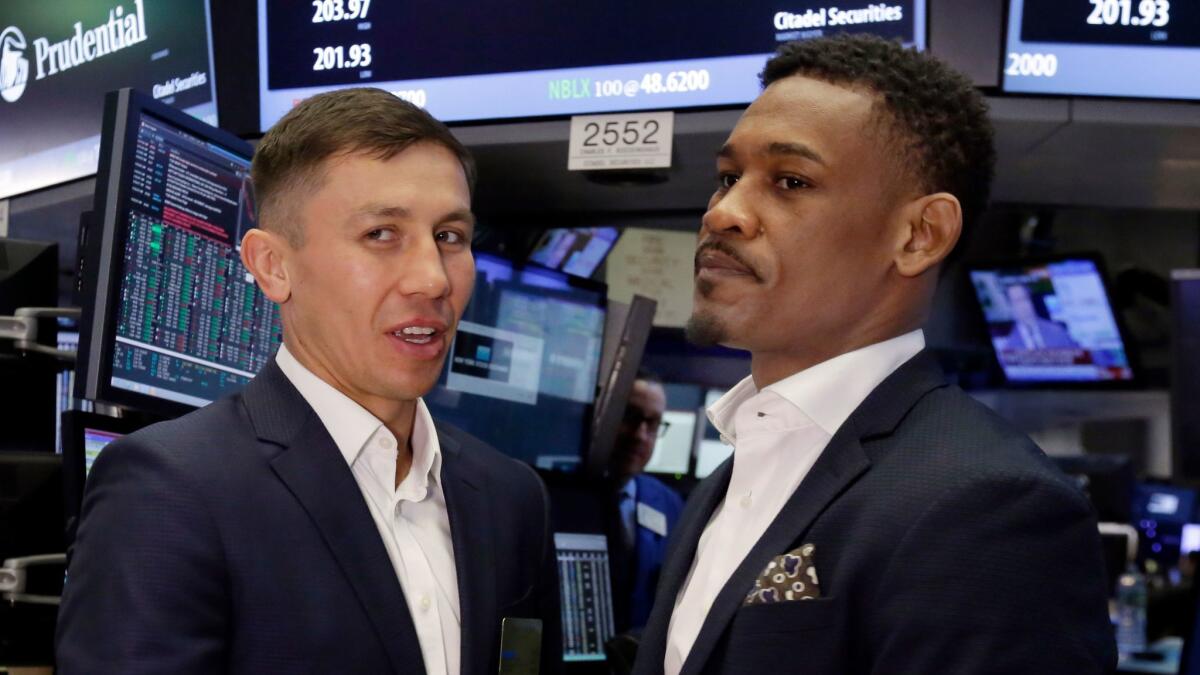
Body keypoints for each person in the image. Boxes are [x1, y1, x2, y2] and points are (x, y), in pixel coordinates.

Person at [632, 35, 1116, 674]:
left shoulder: (990, 504)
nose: (725, 212)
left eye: (791, 181)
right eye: (727, 178)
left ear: (920, 235)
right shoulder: (730, 476)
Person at [57, 88, 560, 674]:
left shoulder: (512, 498)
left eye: (449, 237)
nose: (432, 279)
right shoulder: (171, 489)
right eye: (381, 234)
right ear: (273, 266)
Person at [606, 371, 685, 634]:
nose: (641, 435)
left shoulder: (668, 503)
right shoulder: (561, 494)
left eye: (652, 424)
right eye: (630, 416)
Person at [1002, 283, 1079, 350]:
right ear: (1010, 306)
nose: (1023, 305)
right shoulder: (1009, 346)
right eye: (1017, 301)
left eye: (1025, 299)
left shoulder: (1057, 331)